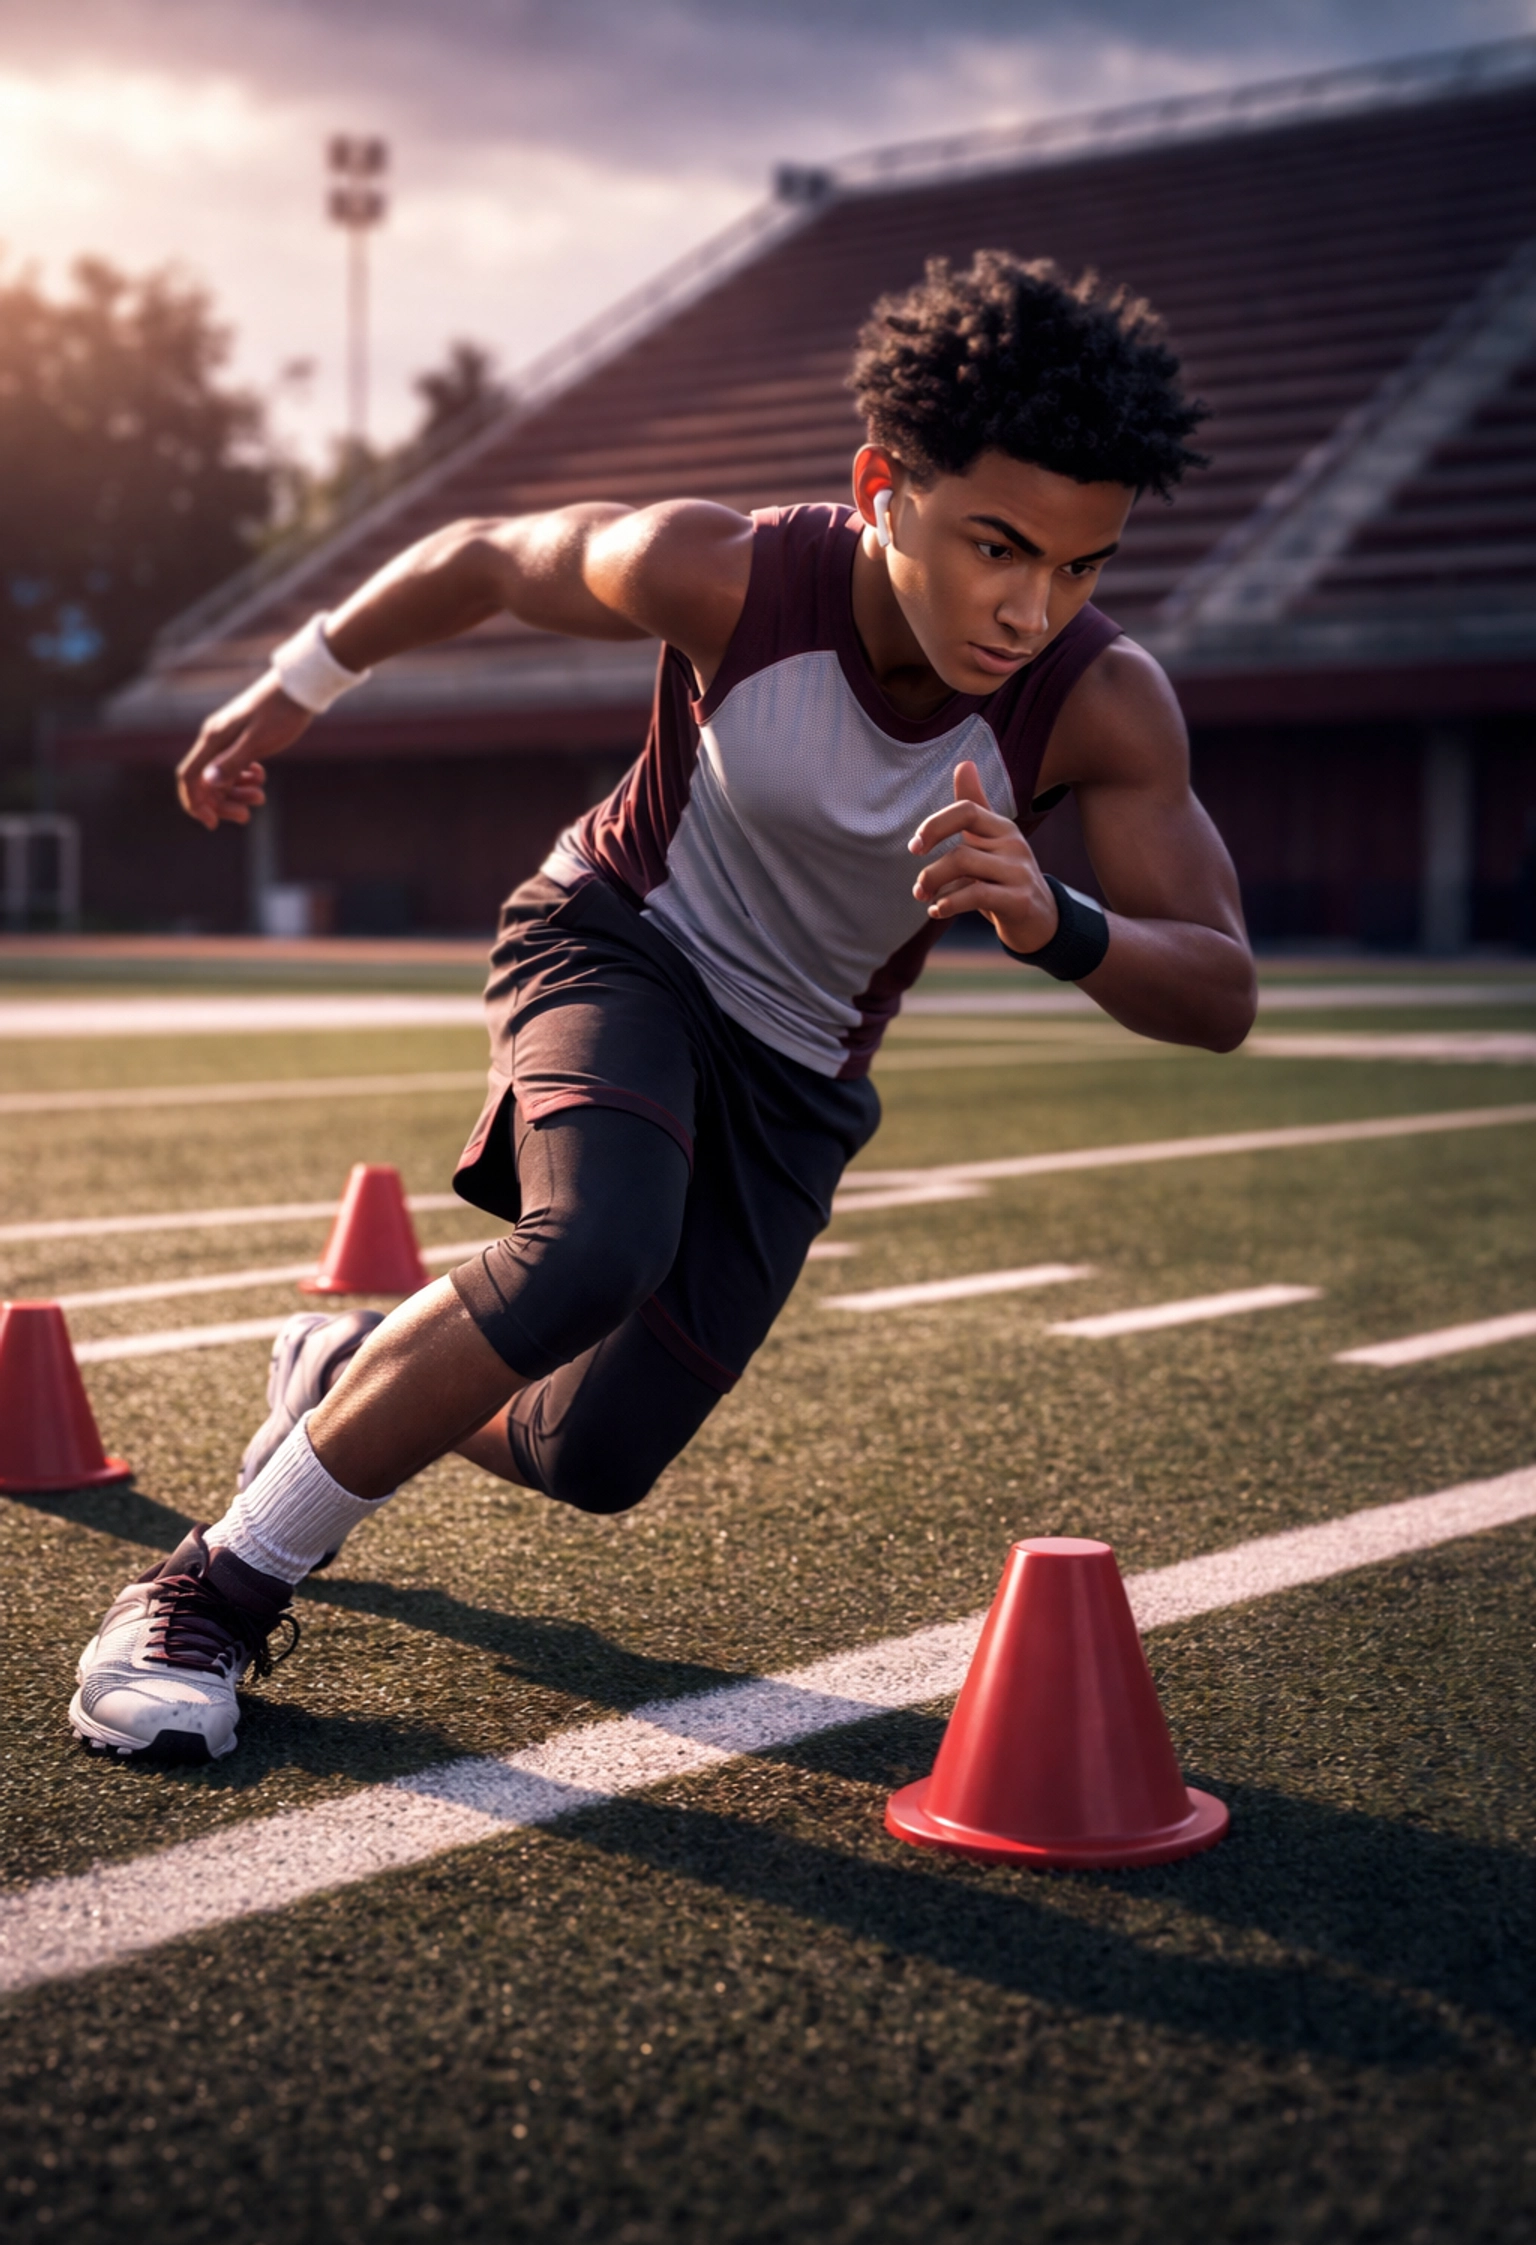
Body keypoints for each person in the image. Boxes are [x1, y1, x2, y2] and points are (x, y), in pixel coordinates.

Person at [70, 251, 1256, 1763]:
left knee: (598, 1456)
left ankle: (345, 1364)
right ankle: (209, 1591)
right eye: (999, 546)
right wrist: (297, 684)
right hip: (620, 940)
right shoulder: (729, 571)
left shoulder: (1102, 700)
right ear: (883, 484)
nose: (1032, 608)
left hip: (801, 1067)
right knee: (596, 1241)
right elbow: (493, 555)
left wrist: (1056, 918)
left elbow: (1220, 989)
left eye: (1082, 566)